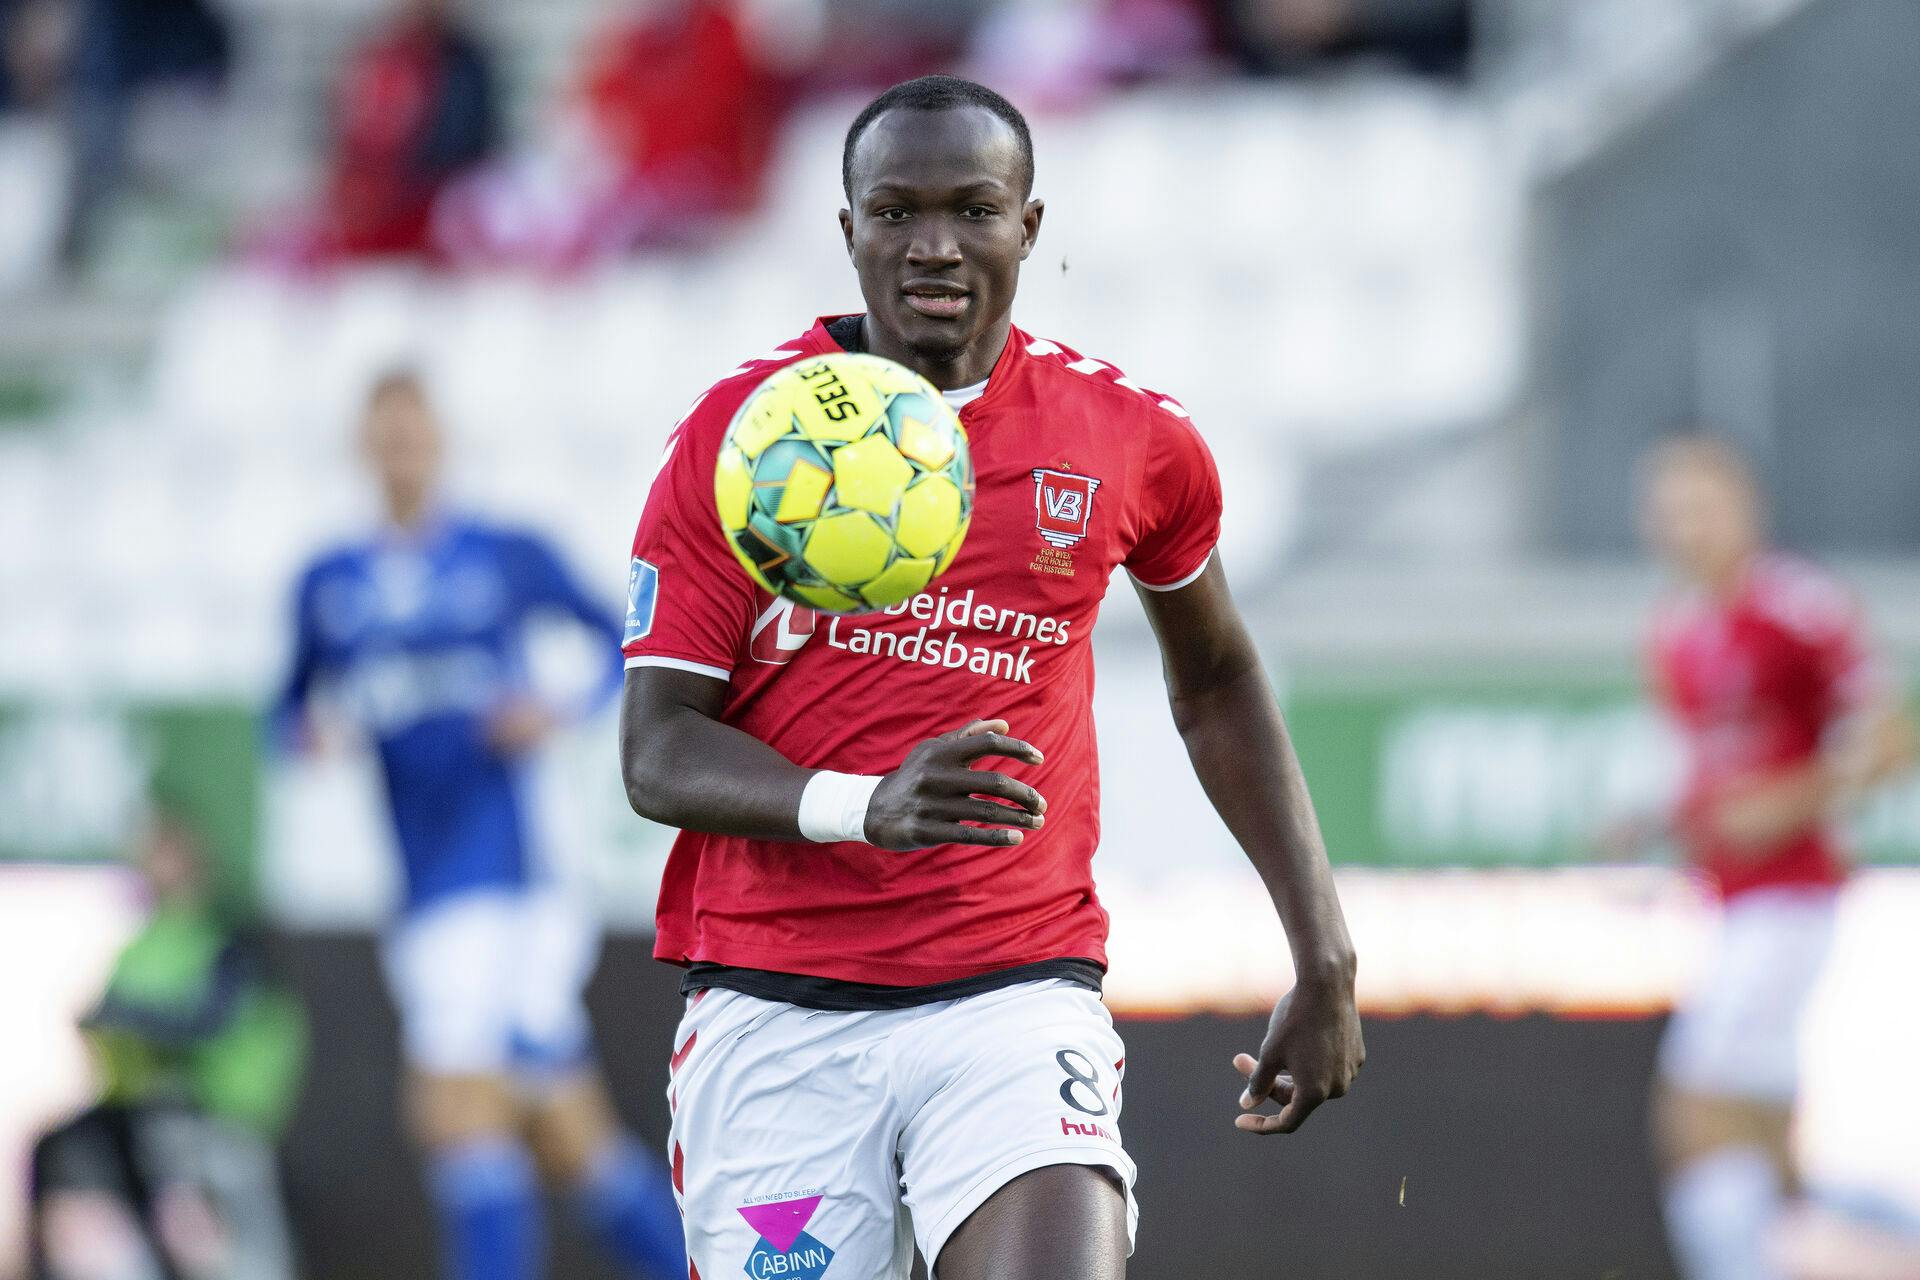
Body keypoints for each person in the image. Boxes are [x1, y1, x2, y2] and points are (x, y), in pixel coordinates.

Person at [619, 75, 1364, 1280]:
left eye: (973, 209)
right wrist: (867, 802)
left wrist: (1322, 950)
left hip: (1014, 993)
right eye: (894, 212)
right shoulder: (740, 441)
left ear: (1029, 225)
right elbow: (657, 751)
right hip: (776, 1007)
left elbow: (1217, 678)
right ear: (846, 228)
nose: (933, 246)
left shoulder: (1128, 439)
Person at [274, 371, 685, 1280]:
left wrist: (558, 704)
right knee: (568, 1140)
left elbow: (631, 639)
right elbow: (285, 710)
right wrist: (308, 735)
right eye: (385, 436)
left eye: (414, 433)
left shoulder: (503, 554)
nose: (401, 451)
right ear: (363, 448)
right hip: (424, 887)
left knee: (458, 1115)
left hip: (513, 878)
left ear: (440, 442)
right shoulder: (330, 583)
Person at [1635, 436, 1914, 1280]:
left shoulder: (1802, 608)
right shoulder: (1677, 636)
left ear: (1746, 509)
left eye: (1703, 507)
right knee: (1766, 1138)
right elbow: (1717, 785)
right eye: (1671, 512)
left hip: (1797, 903)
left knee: (1695, 1114)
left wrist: (1788, 802)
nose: (1688, 529)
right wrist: (1655, 822)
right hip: (1733, 905)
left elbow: (1890, 740)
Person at [30, 806, 306, 1280]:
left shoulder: (228, 939)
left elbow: (215, 1020)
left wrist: (138, 1023)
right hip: (141, 1127)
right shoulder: (140, 946)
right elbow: (102, 1018)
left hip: (222, 1124)